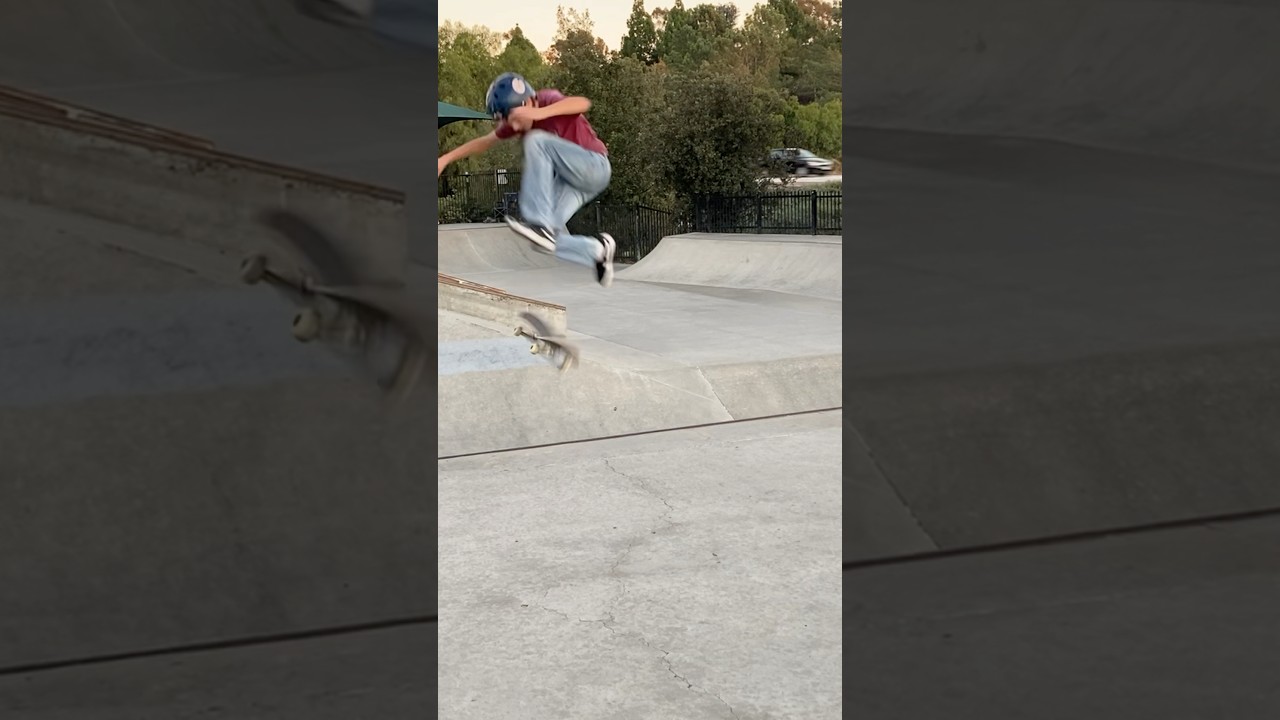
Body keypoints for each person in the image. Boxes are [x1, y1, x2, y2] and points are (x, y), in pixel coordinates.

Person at [436, 72, 617, 287]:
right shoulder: (515, 123)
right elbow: (485, 141)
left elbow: (582, 103)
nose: (515, 128)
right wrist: (444, 159)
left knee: (535, 140)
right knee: (544, 241)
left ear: (527, 102)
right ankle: (597, 252)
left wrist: (539, 113)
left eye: (514, 119)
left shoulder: (547, 99)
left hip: (595, 165)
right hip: (574, 184)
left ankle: (537, 222)